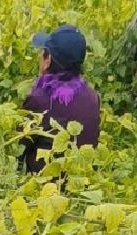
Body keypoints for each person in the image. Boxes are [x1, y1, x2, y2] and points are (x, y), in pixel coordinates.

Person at [20, 23, 100, 173]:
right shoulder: (92, 96)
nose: (39, 56)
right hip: (81, 180)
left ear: (48, 59)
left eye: (42, 51)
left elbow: (19, 145)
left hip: (45, 186)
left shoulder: (39, 99)